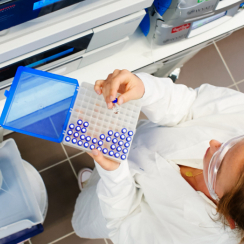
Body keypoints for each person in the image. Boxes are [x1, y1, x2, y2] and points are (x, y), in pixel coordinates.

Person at [71, 69, 244, 244]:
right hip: (135, 138)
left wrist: (114, 174)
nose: (214, 143)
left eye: (218, 165)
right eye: (234, 141)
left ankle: (93, 185)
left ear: (228, 216)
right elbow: (190, 105)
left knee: (82, 218)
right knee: (98, 174)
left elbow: (123, 223)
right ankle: (95, 177)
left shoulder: (197, 238)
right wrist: (146, 89)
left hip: (115, 201)